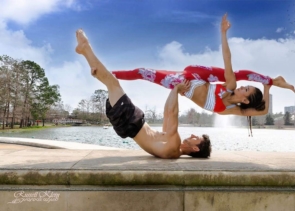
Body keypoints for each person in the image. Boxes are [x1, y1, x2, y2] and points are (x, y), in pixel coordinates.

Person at [110, 14, 295, 119]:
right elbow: (227, 58)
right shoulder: (229, 87)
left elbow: (263, 110)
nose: (241, 87)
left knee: (143, 72)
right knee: (235, 74)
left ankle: (110, 74)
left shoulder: (236, 110)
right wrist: (223, 33)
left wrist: (266, 88)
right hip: (201, 75)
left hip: (183, 81)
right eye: (245, 86)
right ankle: (273, 79)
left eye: (245, 90)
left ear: (245, 101)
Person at [75, 29, 211, 159]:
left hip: (131, 122)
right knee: (111, 83)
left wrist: (176, 89)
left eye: (196, 138)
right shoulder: (171, 142)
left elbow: (172, 112)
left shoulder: (174, 147)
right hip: (130, 124)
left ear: (195, 149)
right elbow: (167, 113)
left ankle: (86, 48)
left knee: (112, 83)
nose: (193, 134)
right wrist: (174, 90)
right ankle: (87, 56)